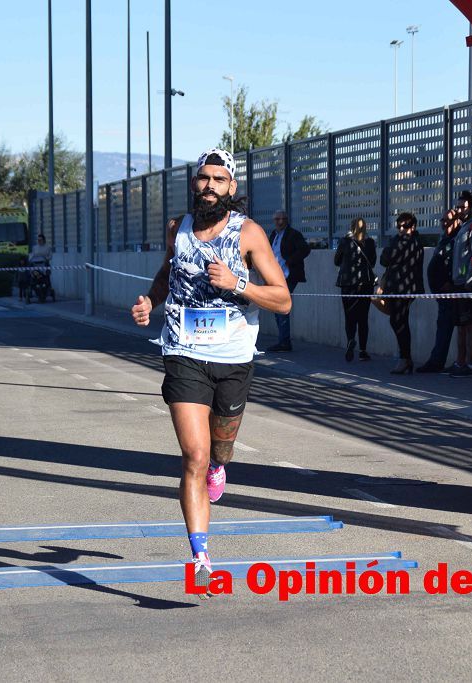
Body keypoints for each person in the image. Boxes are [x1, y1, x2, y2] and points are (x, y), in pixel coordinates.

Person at [130, 148, 291, 591]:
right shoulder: (176, 229)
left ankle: (222, 465)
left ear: (231, 188)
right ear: (194, 184)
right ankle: (201, 557)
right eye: (203, 179)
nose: (209, 187)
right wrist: (149, 301)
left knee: (219, 452)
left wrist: (238, 283)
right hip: (182, 352)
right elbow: (167, 274)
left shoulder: (249, 234)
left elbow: (283, 298)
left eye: (218, 180)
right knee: (194, 455)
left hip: (234, 358)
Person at [416, 203, 463, 373]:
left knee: (449, 326)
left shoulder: (458, 239)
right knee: (442, 325)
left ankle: (442, 362)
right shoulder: (444, 238)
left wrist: (450, 282)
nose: (444, 223)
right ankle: (437, 360)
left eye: (448, 220)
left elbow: (458, 263)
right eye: (442, 220)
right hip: (441, 293)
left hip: (451, 291)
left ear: (456, 221)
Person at [379, 212, 425, 374]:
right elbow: (384, 259)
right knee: (398, 321)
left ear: (412, 227)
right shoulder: (403, 241)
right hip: (399, 288)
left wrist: (392, 247)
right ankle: (405, 358)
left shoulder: (409, 242)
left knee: (398, 321)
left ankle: (405, 359)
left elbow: (386, 257)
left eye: (404, 226)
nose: (400, 229)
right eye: (398, 226)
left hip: (403, 288)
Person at [449, 191, 472, 377]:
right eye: (458, 207)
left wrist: (471, 281)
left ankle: (469, 365)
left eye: (463, 207)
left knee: (470, 325)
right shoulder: (463, 227)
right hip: (459, 284)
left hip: (470, 286)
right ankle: (459, 361)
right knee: (460, 326)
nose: (460, 210)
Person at [265, 210, 310, 352]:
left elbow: (305, 249)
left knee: (281, 306)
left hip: (288, 275)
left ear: (287, 220)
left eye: (283, 219)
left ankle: (284, 341)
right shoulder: (273, 235)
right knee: (276, 307)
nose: (280, 222)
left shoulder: (293, 234)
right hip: (275, 275)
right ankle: (283, 340)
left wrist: (290, 260)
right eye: (277, 219)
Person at [334, 217, 376, 362]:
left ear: (351, 227)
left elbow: (336, 261)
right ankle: (363, 351)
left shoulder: (345, 242)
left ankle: (351, 340)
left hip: (348, 284)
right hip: (365, 284)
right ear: (366, 227)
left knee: (349, 316)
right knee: (363, 318)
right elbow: (373, 262)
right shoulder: (370, 243)